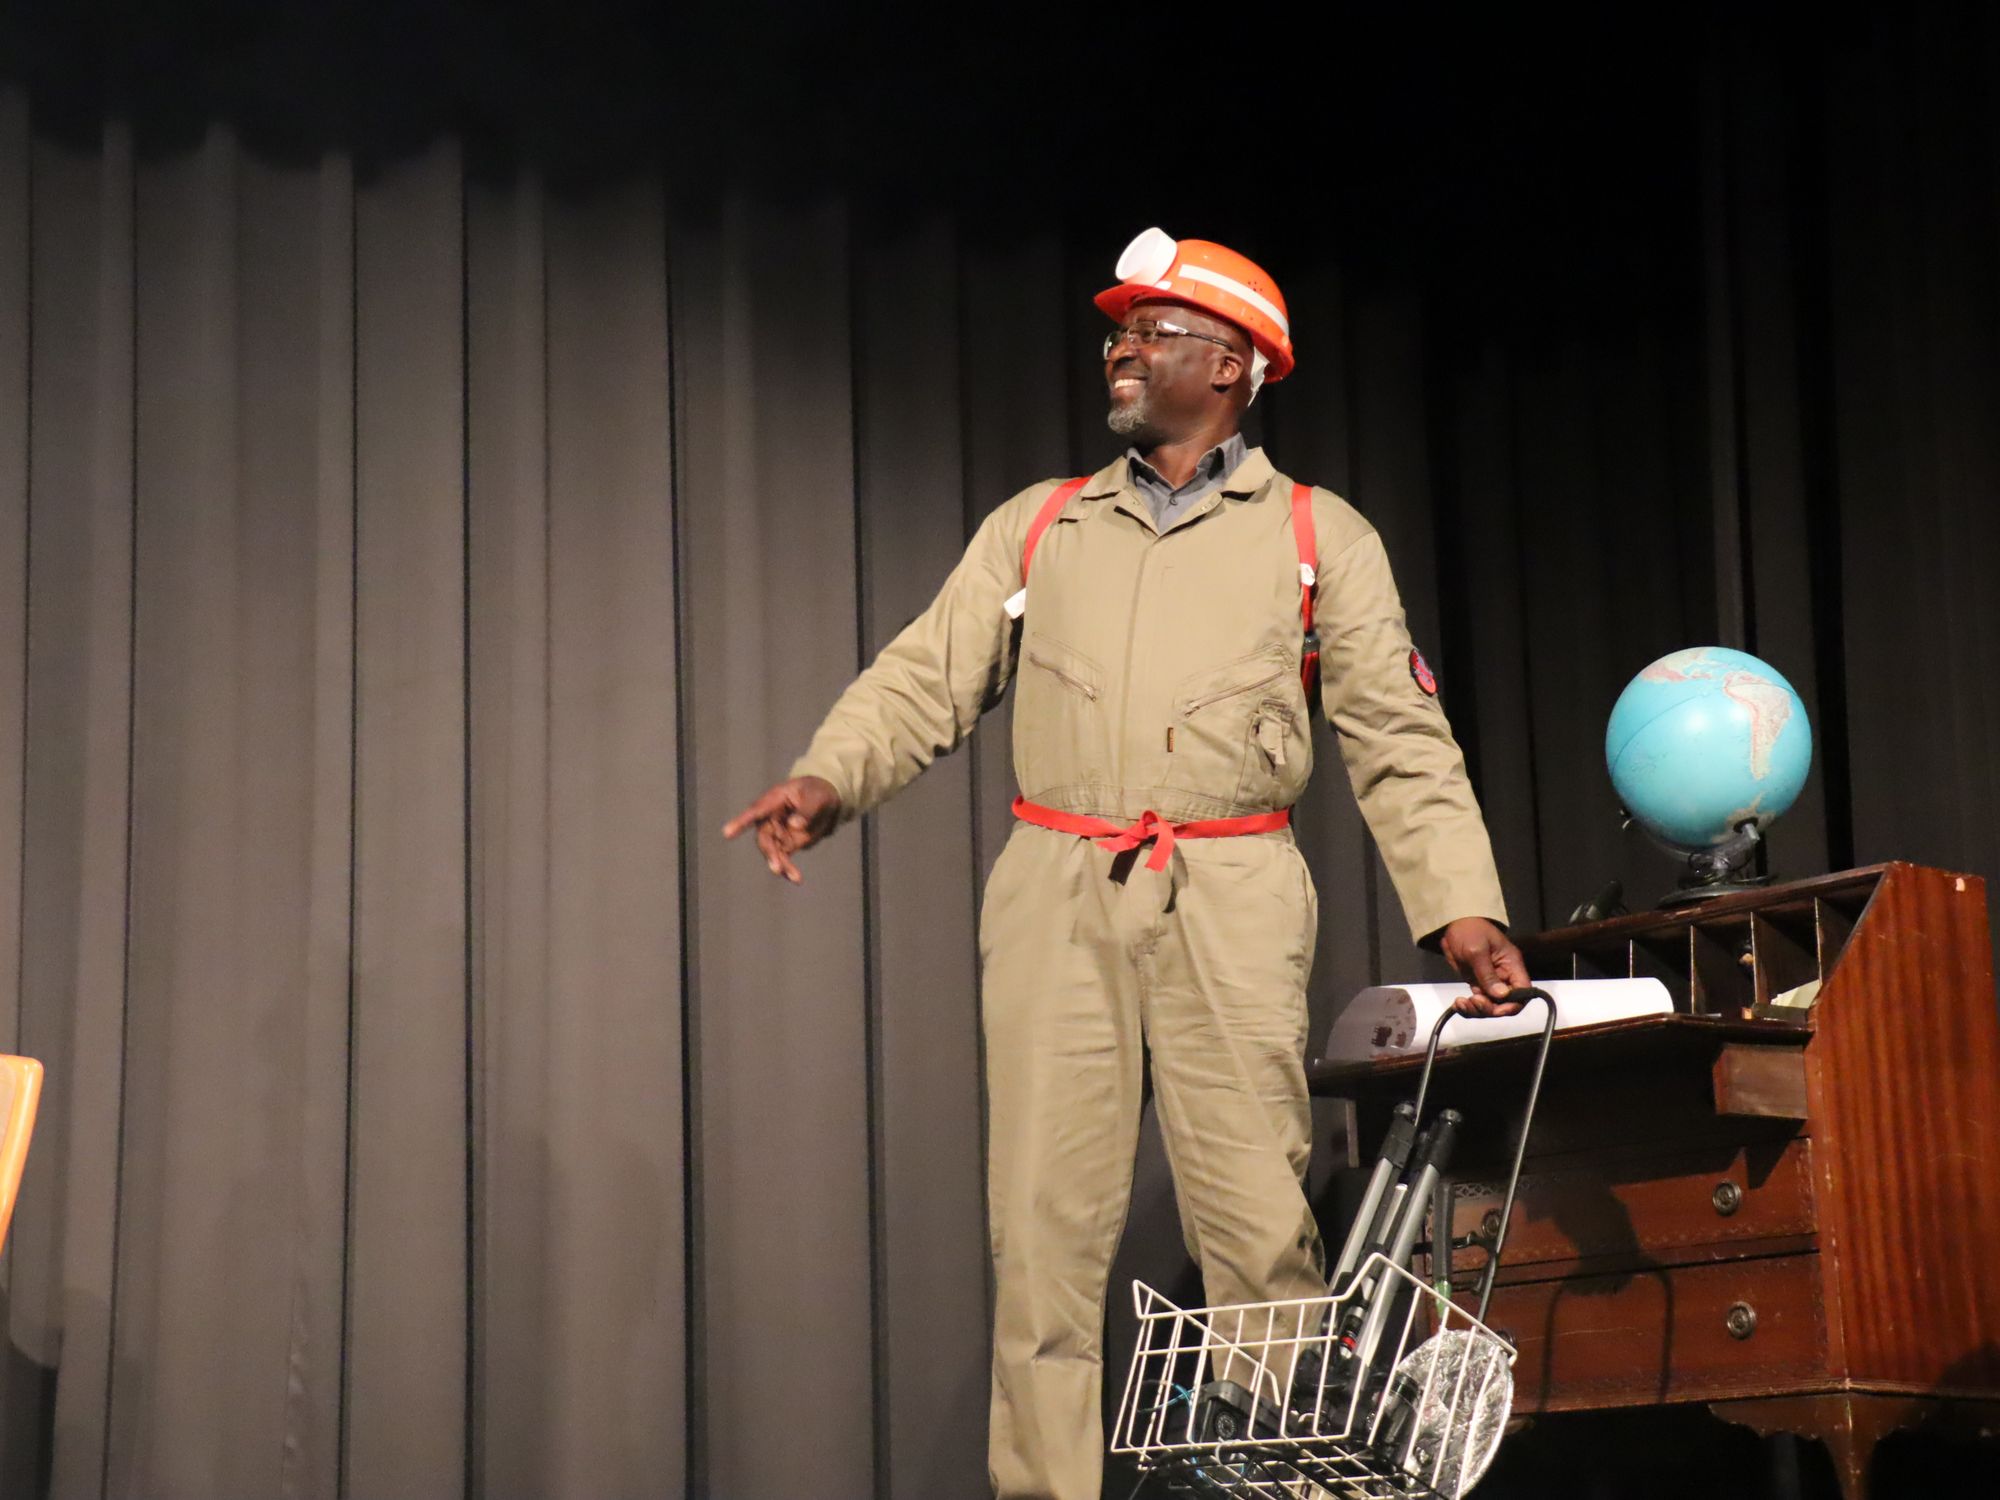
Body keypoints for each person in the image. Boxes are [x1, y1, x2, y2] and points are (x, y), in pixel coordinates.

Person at [724, 228, 1528, 1500]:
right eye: (1117, 331)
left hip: (1232, 889)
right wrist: (830, 778)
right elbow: (923, 677)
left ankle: (1267, 1477)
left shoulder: (1314, 535)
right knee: (1040, 1237)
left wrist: (1461, 909)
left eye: (1152, 331)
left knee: (1256, 1224)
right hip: (1058, 885)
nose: (1120, 348)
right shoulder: (1043, 525)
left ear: (1232, 365)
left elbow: (1398, 738)